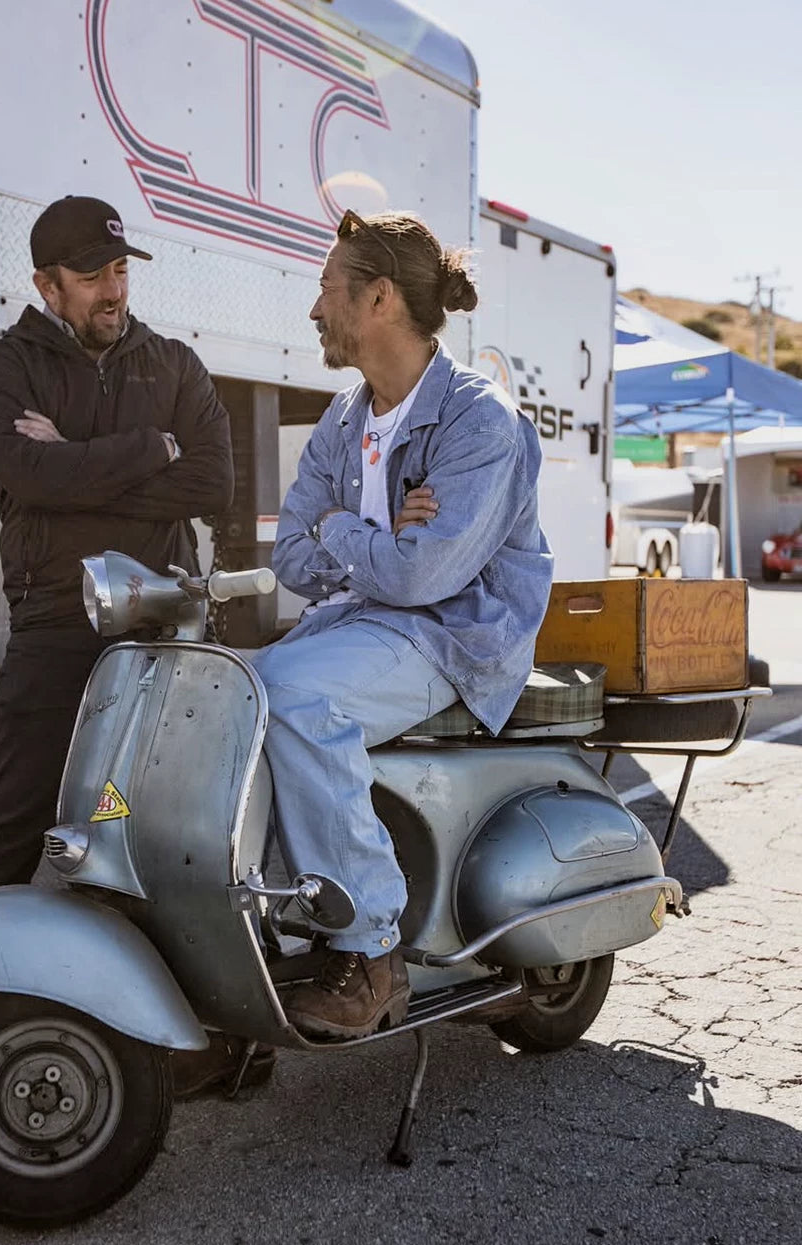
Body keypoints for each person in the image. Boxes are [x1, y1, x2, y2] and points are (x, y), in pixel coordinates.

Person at [251, 209, 554, 1040]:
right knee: (221, 687)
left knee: (292, 696)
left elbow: (426, 578)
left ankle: (372, 949)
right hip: (366, 621)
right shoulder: (345, 420)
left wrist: (348, 529)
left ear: (378, 297)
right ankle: (256, 922)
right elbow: (288, 555)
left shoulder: (478, 419)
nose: (315, 309)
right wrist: (380, 535)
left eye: (326, 290)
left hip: (454, 638)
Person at [0, 195, 234, 900]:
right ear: (47, 285)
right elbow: (28, 476)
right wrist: (148, 448)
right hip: (55, 621)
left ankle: (124, 997)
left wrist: (76, 465)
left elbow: (213, 482)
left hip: (162, 624)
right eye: (93, 275)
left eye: (120, 269)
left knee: (138, 818)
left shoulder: (172, 363)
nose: (114, 289)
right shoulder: (4, 367)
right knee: (10, 818)